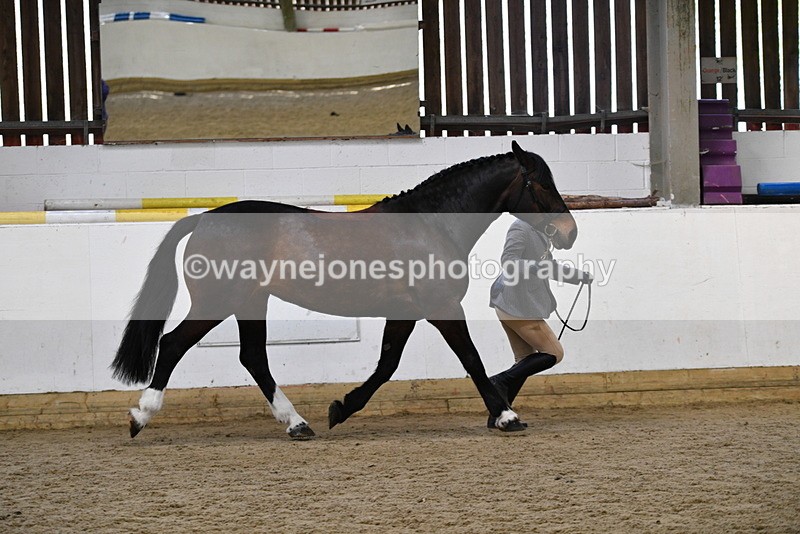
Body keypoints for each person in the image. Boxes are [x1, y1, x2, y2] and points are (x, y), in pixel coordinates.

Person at [487, 217, 590, 429]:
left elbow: (548, 268)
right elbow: (509, 262)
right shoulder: (521, 228)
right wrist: (536, 266)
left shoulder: (541, 233)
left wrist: (577, 276)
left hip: (512, 303)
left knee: (525, 360)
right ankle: (500, 381)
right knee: (554, 353)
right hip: (516, 303)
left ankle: (498, 415)